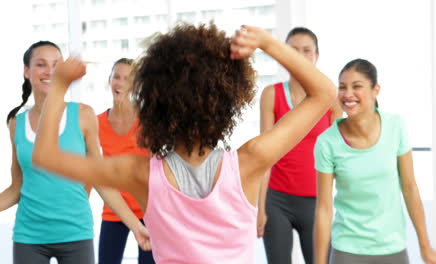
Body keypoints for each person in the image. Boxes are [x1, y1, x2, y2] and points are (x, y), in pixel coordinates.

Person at [32, 23, 337, 263]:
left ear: (156, 108)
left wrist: (59, 85)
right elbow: (323, 92)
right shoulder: (250, 161)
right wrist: (268, 44)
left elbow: (45, 157)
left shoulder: (139, 173)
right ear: (225, 104)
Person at [0, 40, 132, 264]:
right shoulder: (17, 124)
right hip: (29, 237)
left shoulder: (83, 115)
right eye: (41, 64)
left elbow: (100, 179)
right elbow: (16, 189)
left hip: (76, 234)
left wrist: (135, 225)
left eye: (56, 64)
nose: (49, 71)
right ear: (27, 71)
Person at [313, 58, 436, 264]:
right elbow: (324, 208)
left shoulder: (395, 126)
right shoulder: (327, 142)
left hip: (392, 248)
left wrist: (425, 246)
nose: (348, 94)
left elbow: (409, 187)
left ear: (375, 90)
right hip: (347, 249)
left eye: (357, 86)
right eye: (342, 87)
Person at [257, 27, 341, 264]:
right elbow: (264, 155)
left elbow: (339, 156)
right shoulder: (271, 94)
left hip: (316, 202)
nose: (300, 56)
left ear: (316, 56)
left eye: (307, 51)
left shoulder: (331, 98)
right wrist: (260, 206)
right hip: (276, 201)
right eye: (293, 50)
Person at [97, 58, 155, 264]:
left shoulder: (148, 121)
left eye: (127, 78)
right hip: (114, 212)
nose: (120, 83)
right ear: (109, 80)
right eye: (116, 77)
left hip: (148, 210)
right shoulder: (96, 123)